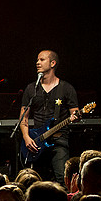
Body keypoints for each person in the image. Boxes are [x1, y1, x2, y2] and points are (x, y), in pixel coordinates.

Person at [19, 50, 79, 184]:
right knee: (37, 182)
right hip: (37, 141)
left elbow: (75, 113)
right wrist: (26, 137)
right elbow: (23, 118)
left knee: (62, 180)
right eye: (37, 60)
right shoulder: (31, 89)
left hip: (59, 141)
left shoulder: (66, 88)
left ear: (52, 63)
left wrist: (76, 117)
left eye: (41, 60)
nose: (37, 63)